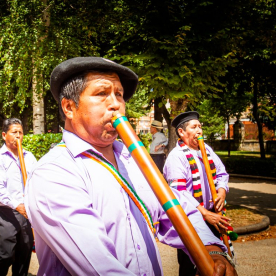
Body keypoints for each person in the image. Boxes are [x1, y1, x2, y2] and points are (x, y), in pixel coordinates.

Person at [24, 57, 237, 275]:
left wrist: (211, 250)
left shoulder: (134, 160)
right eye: (101, 94)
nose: (116, 104)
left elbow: (178, 208)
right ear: (69, 107)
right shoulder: (54, 173)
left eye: (119, 94)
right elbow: (101, 269)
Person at [163, 111, 232, 276]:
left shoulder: (206, 150)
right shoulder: (176, 157)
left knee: (218, 260)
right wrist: (205, 213)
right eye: (194, 127)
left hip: (213, 215)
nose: (199, 130)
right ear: (182, 132)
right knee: (190, 266)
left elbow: (222, 174)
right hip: (189, 220)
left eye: (200, 126)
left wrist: (221, 191)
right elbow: (179, 192)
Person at [0, 118, 37, 276]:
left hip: (27, 210)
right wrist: (17, 205)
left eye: (20, 132)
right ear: (4, 135)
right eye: (14, 132)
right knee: (6, 253)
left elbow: (36, 181)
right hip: (6, 210)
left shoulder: (29, 156)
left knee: (25, 250)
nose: (18, 136)